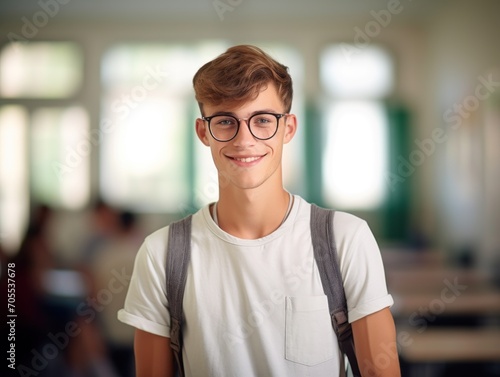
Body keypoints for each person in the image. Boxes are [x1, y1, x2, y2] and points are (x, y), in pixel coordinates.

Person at [118, 45, 400, 377]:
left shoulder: (346, 240)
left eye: (262, 120)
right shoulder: (162, 254)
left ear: (289, 128)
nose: (244, 140)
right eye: (225, 121)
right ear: (203, 132)